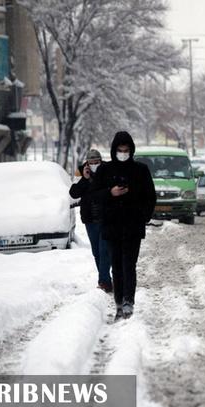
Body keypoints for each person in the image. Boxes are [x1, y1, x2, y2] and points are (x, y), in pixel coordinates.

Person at [90, 131, 156, 320]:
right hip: (112, 226)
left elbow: (150, 196)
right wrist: (111, 193)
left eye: (126, 150)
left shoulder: (140, 170)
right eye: (120, 150)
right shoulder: (104, 171)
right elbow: (94, 195)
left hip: (133, 226)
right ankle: (119, 302)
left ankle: (129, 301)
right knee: (116, 266)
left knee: (129, 265)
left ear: (131, 150)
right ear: (114, 150)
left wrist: (143, 216)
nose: (123, 153)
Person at [69, 149, 112, 293]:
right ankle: (106, 279)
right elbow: (73, 193)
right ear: (87, 162)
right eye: (91, 163)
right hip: (90, 219)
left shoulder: (107, 170)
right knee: (97, 252)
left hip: (106, 218)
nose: (94, 165)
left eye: (97, 162)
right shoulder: (80, 172)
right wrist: (85, 178)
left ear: (101, 161)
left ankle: (103, 281)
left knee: (104, 250)